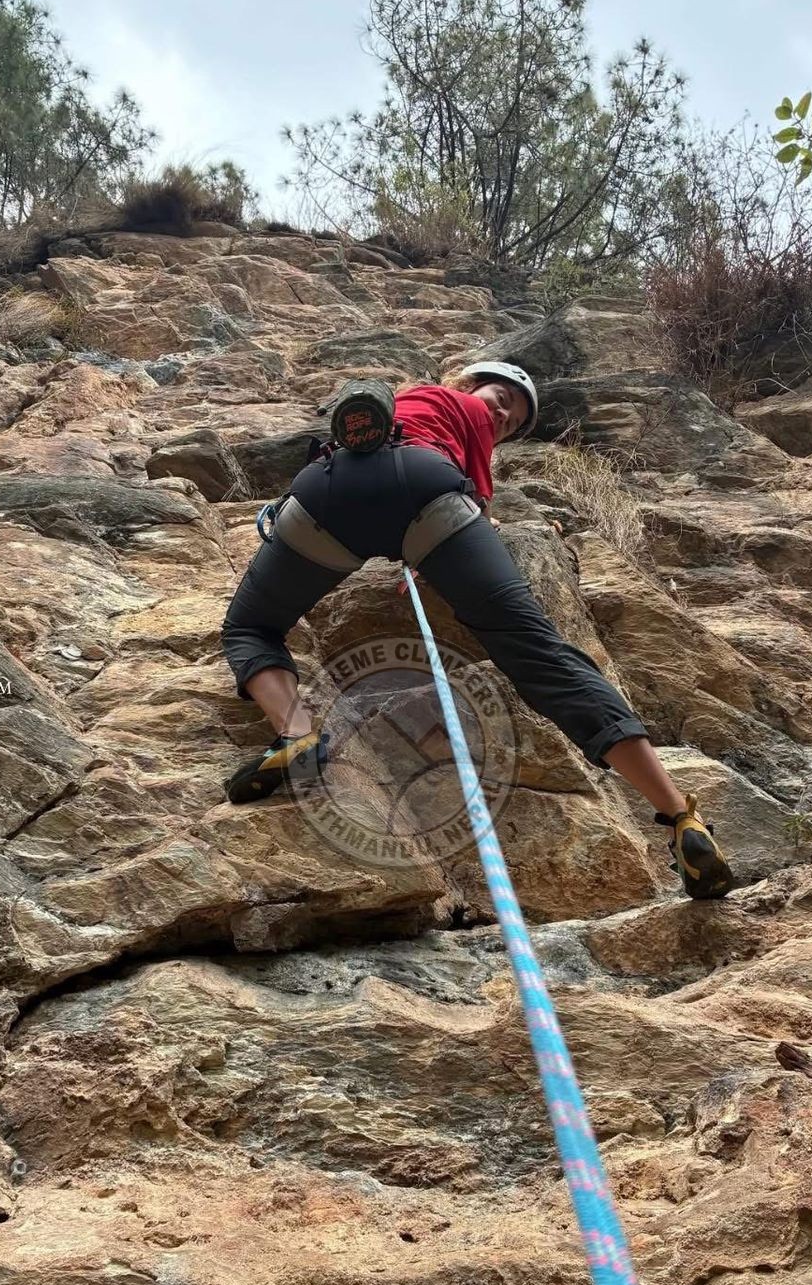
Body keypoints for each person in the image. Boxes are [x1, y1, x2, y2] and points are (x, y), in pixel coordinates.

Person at [219, 361, 734, 899]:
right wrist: (437, 559)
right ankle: (678, 815)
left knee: (251, 626)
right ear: (467, 385)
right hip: (427, 486)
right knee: (537, 652)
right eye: (502, 399)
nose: (503, 415)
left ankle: (296, 733)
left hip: (327, 494)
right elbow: (475, 508)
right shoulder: (460, 408)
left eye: (513, 420)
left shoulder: (424, 402)